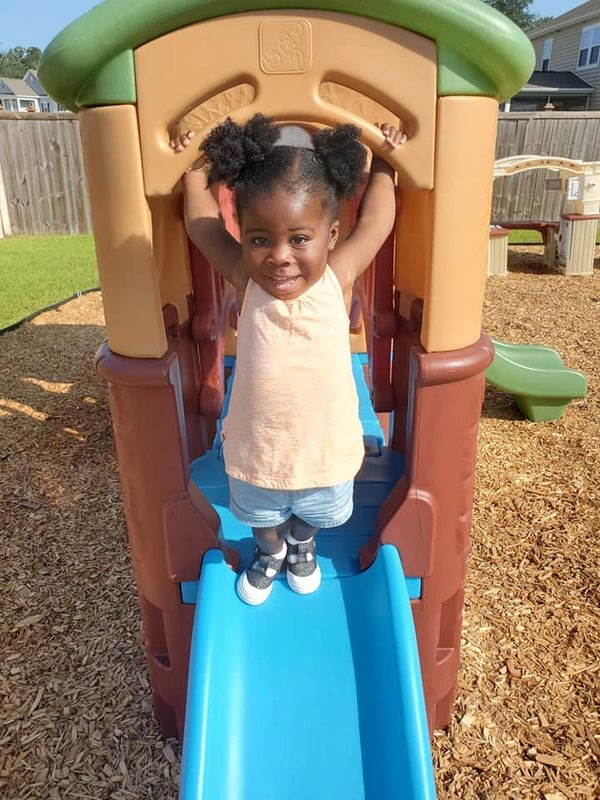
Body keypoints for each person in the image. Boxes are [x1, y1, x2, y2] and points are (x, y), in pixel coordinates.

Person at [172, 114, 405, 605]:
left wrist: (387, 160)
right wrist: (193, 169)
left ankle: (302, 545)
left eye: (299, 239)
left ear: (332, 235)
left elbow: (377, 221)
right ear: (243, 237)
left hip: (324, 449)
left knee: (314, 515)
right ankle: (271, 551)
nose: (279, 256)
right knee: (260, 518)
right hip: (259, 449)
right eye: (260, 239)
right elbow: (201, 224)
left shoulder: (337, 276)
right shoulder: (247, 279)